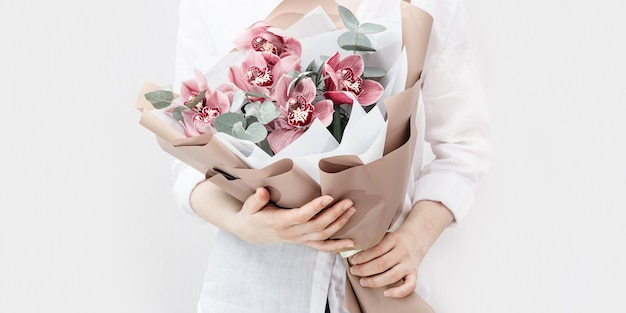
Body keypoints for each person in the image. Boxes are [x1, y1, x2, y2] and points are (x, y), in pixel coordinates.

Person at [170, 0, 490, 312]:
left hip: (380, 286)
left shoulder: (430, 5)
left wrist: (414, 239)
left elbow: (462, 146)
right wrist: (241, 223)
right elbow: (188, 155)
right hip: (252, 291)